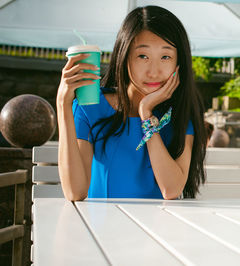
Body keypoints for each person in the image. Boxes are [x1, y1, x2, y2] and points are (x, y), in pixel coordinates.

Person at [56, 5, 207, 201]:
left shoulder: (178, 114)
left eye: (165, 57)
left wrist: (146, 113)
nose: (154, 71)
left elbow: (171, 190)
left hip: (158, 229)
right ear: (124, 56)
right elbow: (75, 192)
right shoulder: (91, 107)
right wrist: (62, 104)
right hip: (99, 228)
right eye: (143, 56)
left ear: (179, 64)